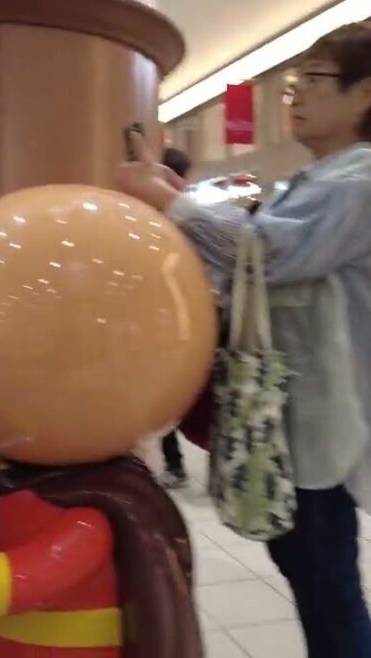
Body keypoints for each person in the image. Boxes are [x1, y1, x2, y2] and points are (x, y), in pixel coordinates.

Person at [115, 23, 371, 658]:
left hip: (320, 432)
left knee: (329, 591)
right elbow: (253, 258)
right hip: (288, 425)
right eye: (294, 84)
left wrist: (173, 204)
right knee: (313, 581)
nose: (296, 94)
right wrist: (173, 195)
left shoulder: (366, 179)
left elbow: (271, 253)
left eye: (315, 81)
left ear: (366, 95)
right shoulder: (321, 178)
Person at [158, 147, 193, 489]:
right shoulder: (185, 212)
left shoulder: (162, 215)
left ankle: (174, 462)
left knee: (167, 400)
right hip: (184, 318)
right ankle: (174, 462)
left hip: (163, 320)